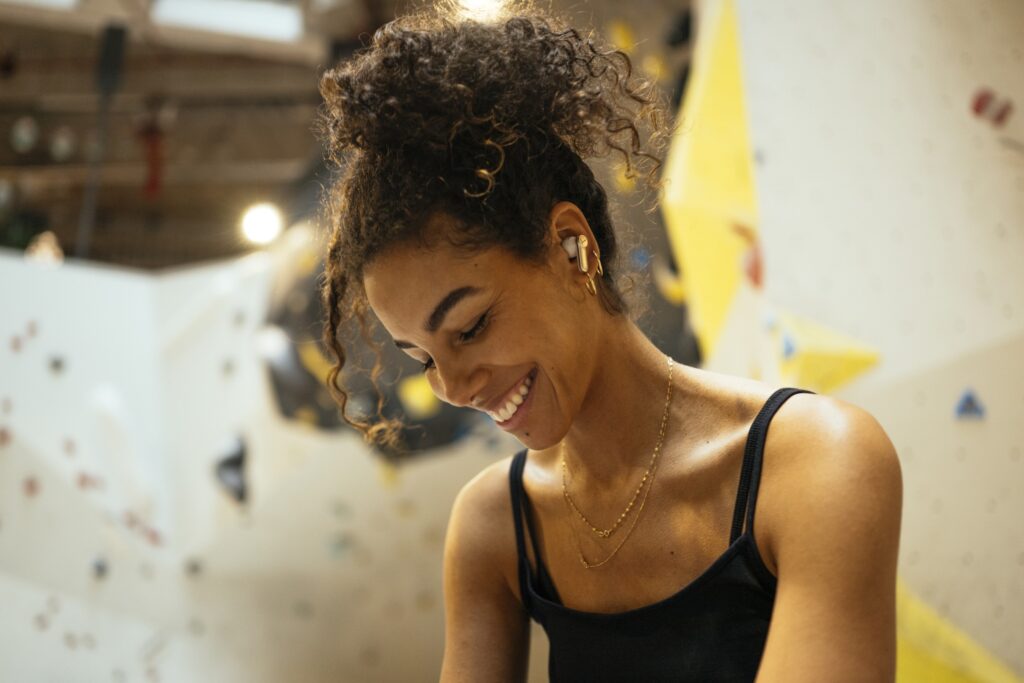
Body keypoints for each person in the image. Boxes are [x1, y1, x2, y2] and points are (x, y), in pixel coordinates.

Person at [316, 5, 902, 682]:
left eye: (471, 327)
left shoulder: (816, 461)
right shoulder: (494, 525)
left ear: (571, 246)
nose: (452, 386)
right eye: (421, 357)